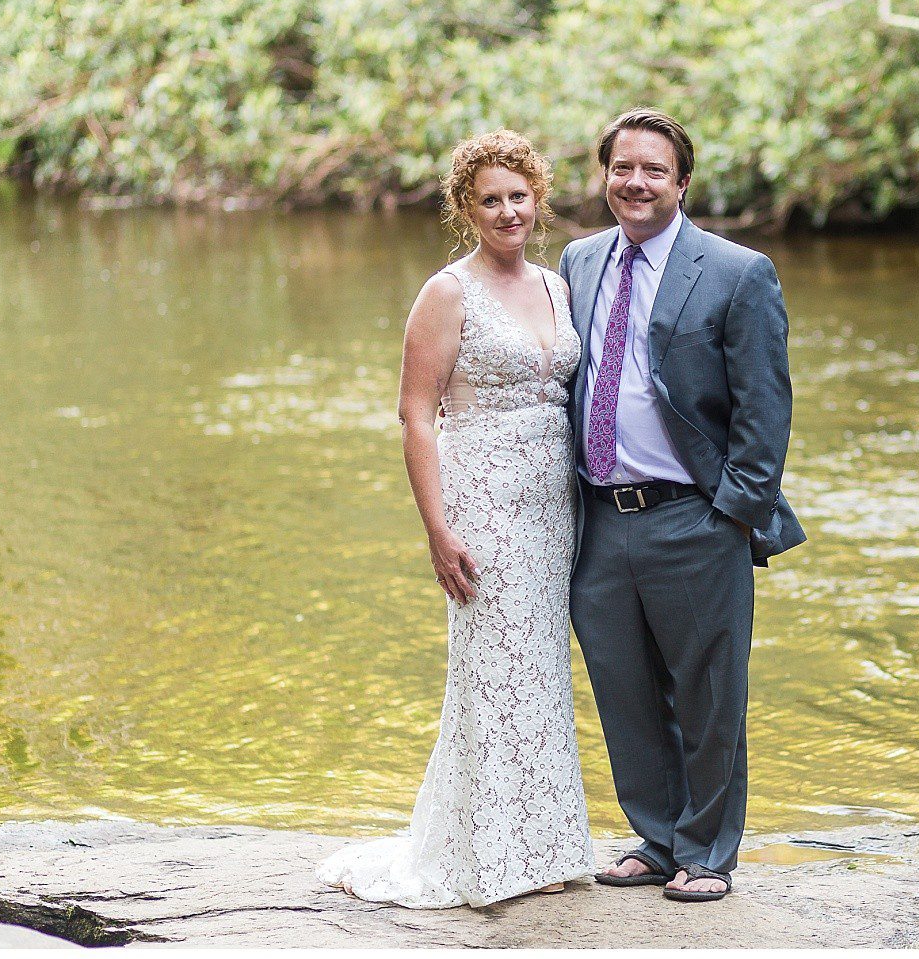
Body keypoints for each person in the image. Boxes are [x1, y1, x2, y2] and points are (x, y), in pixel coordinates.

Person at [316, 130, 594, 908]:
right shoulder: (448, 291)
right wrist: (438, 528)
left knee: (540, 668)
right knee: (490, 669)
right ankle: (487, 856)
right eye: (490, 200)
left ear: (537, 199)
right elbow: (415, 416)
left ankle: (545, 845)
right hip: (482, 503)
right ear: (465, 209)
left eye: (519, 196)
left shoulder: (556, 286)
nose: (508, 211)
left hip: (551, 507)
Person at [560, 108, 806, 903]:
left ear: (683, 182)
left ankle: (707, 853)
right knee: (623, 688)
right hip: (600, 517)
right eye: (622, 168)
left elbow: (765, 411)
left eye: (654, 171)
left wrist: (733, 511)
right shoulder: (580, 259)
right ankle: (656, 838)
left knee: (707, 693)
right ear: (606, 175)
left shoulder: (738, 272)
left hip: (695, 516)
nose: (635, 183)